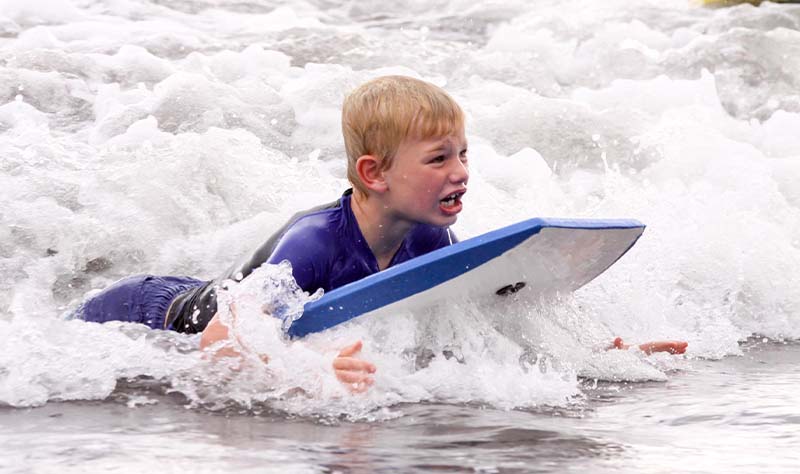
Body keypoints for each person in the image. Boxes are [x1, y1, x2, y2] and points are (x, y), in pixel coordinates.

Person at [74, 76, 686, 393]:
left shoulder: (427, 242)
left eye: (464, 155)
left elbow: (475, 325)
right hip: (153, 311)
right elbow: (220, 338)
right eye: (439, 158)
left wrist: (605, 356)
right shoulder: (313, 242)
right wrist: (304, 373)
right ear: (375, 173)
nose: (462, 172)